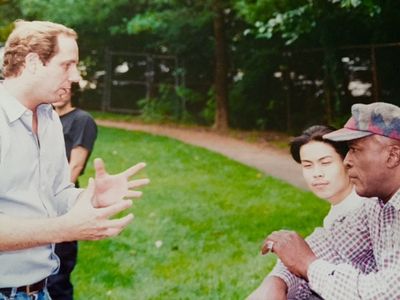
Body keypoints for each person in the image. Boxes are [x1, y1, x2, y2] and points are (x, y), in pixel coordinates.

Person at [0, 20, 149, 300]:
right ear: (33, 62)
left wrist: (90, 198)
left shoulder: (49, 120)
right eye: (67, 65)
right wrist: (65, 228)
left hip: (39, 291)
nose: (76, 77)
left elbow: (57, 194)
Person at [260, 102, 400, 299]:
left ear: (393, 156)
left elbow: (382, 295)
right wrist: (277, 281)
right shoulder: (378, 205)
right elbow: (332, 243)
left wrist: (308, 265)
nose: (346, 161)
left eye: (355, 150)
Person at [246, 125, 367, 300]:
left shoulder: (363, 207)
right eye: (308, 165)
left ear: (347, 162)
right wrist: (276, 279)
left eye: (325, 163)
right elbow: (317, 245)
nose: (316, 173)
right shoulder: (338, 210)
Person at [48, 88, 98, 299]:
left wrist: (52, 201)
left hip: (62, 201)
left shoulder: (81, 120)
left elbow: (75, 166)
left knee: (56, 277)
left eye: (66, 88)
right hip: (38, 198)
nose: (61, 92)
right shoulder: (45, 117)